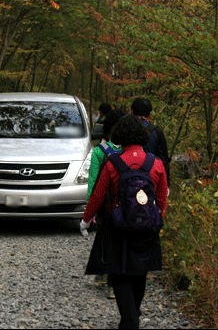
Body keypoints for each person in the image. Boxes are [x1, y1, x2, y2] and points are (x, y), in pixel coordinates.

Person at [82, 114, 168, 329]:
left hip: (117, 227)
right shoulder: (156, 164)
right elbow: (162, 199)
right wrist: (153, 221)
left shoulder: (113, 164)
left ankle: (130, 320)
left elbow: (98, 195)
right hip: (147, 230)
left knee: (119, 273)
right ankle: (132, 316)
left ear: (120, 135)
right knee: (140, 272)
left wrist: (86, 219)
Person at [87, 109, 127, 299]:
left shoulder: (99, 151)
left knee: (105, 237)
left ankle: (105, 275)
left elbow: (93, 181)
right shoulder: (131, 152)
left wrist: (90, 209)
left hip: (105, 204)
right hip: (126, 203)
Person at [131, 98, 171, 188]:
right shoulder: (156, 132)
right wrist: (166, 183)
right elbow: (163, 159)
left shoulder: (124, 130)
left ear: (132, 112)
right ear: (150, 114)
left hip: (126, 182)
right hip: (151, 182)